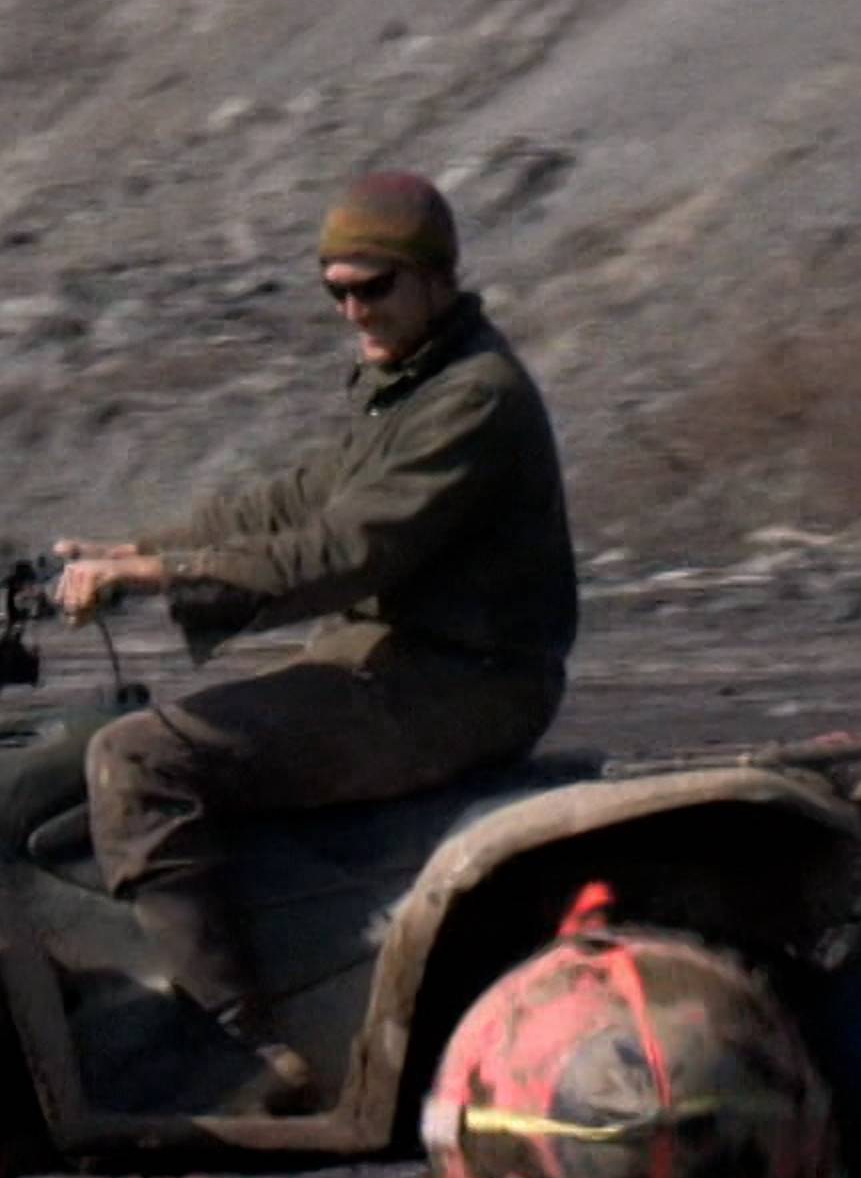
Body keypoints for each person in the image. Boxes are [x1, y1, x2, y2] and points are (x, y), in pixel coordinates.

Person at [48, 171, 578, 1114]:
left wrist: (161, 578)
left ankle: (240, 1048)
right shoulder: (405, 386)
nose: (352, 310)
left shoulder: (474, 399)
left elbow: (346, 547)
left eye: (372, 287)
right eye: (336, 291)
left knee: (137, 760)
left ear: (432, 277)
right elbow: (294, 499)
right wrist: (135, 548)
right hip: (394, 662)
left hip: (455, 683)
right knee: (92, 736)